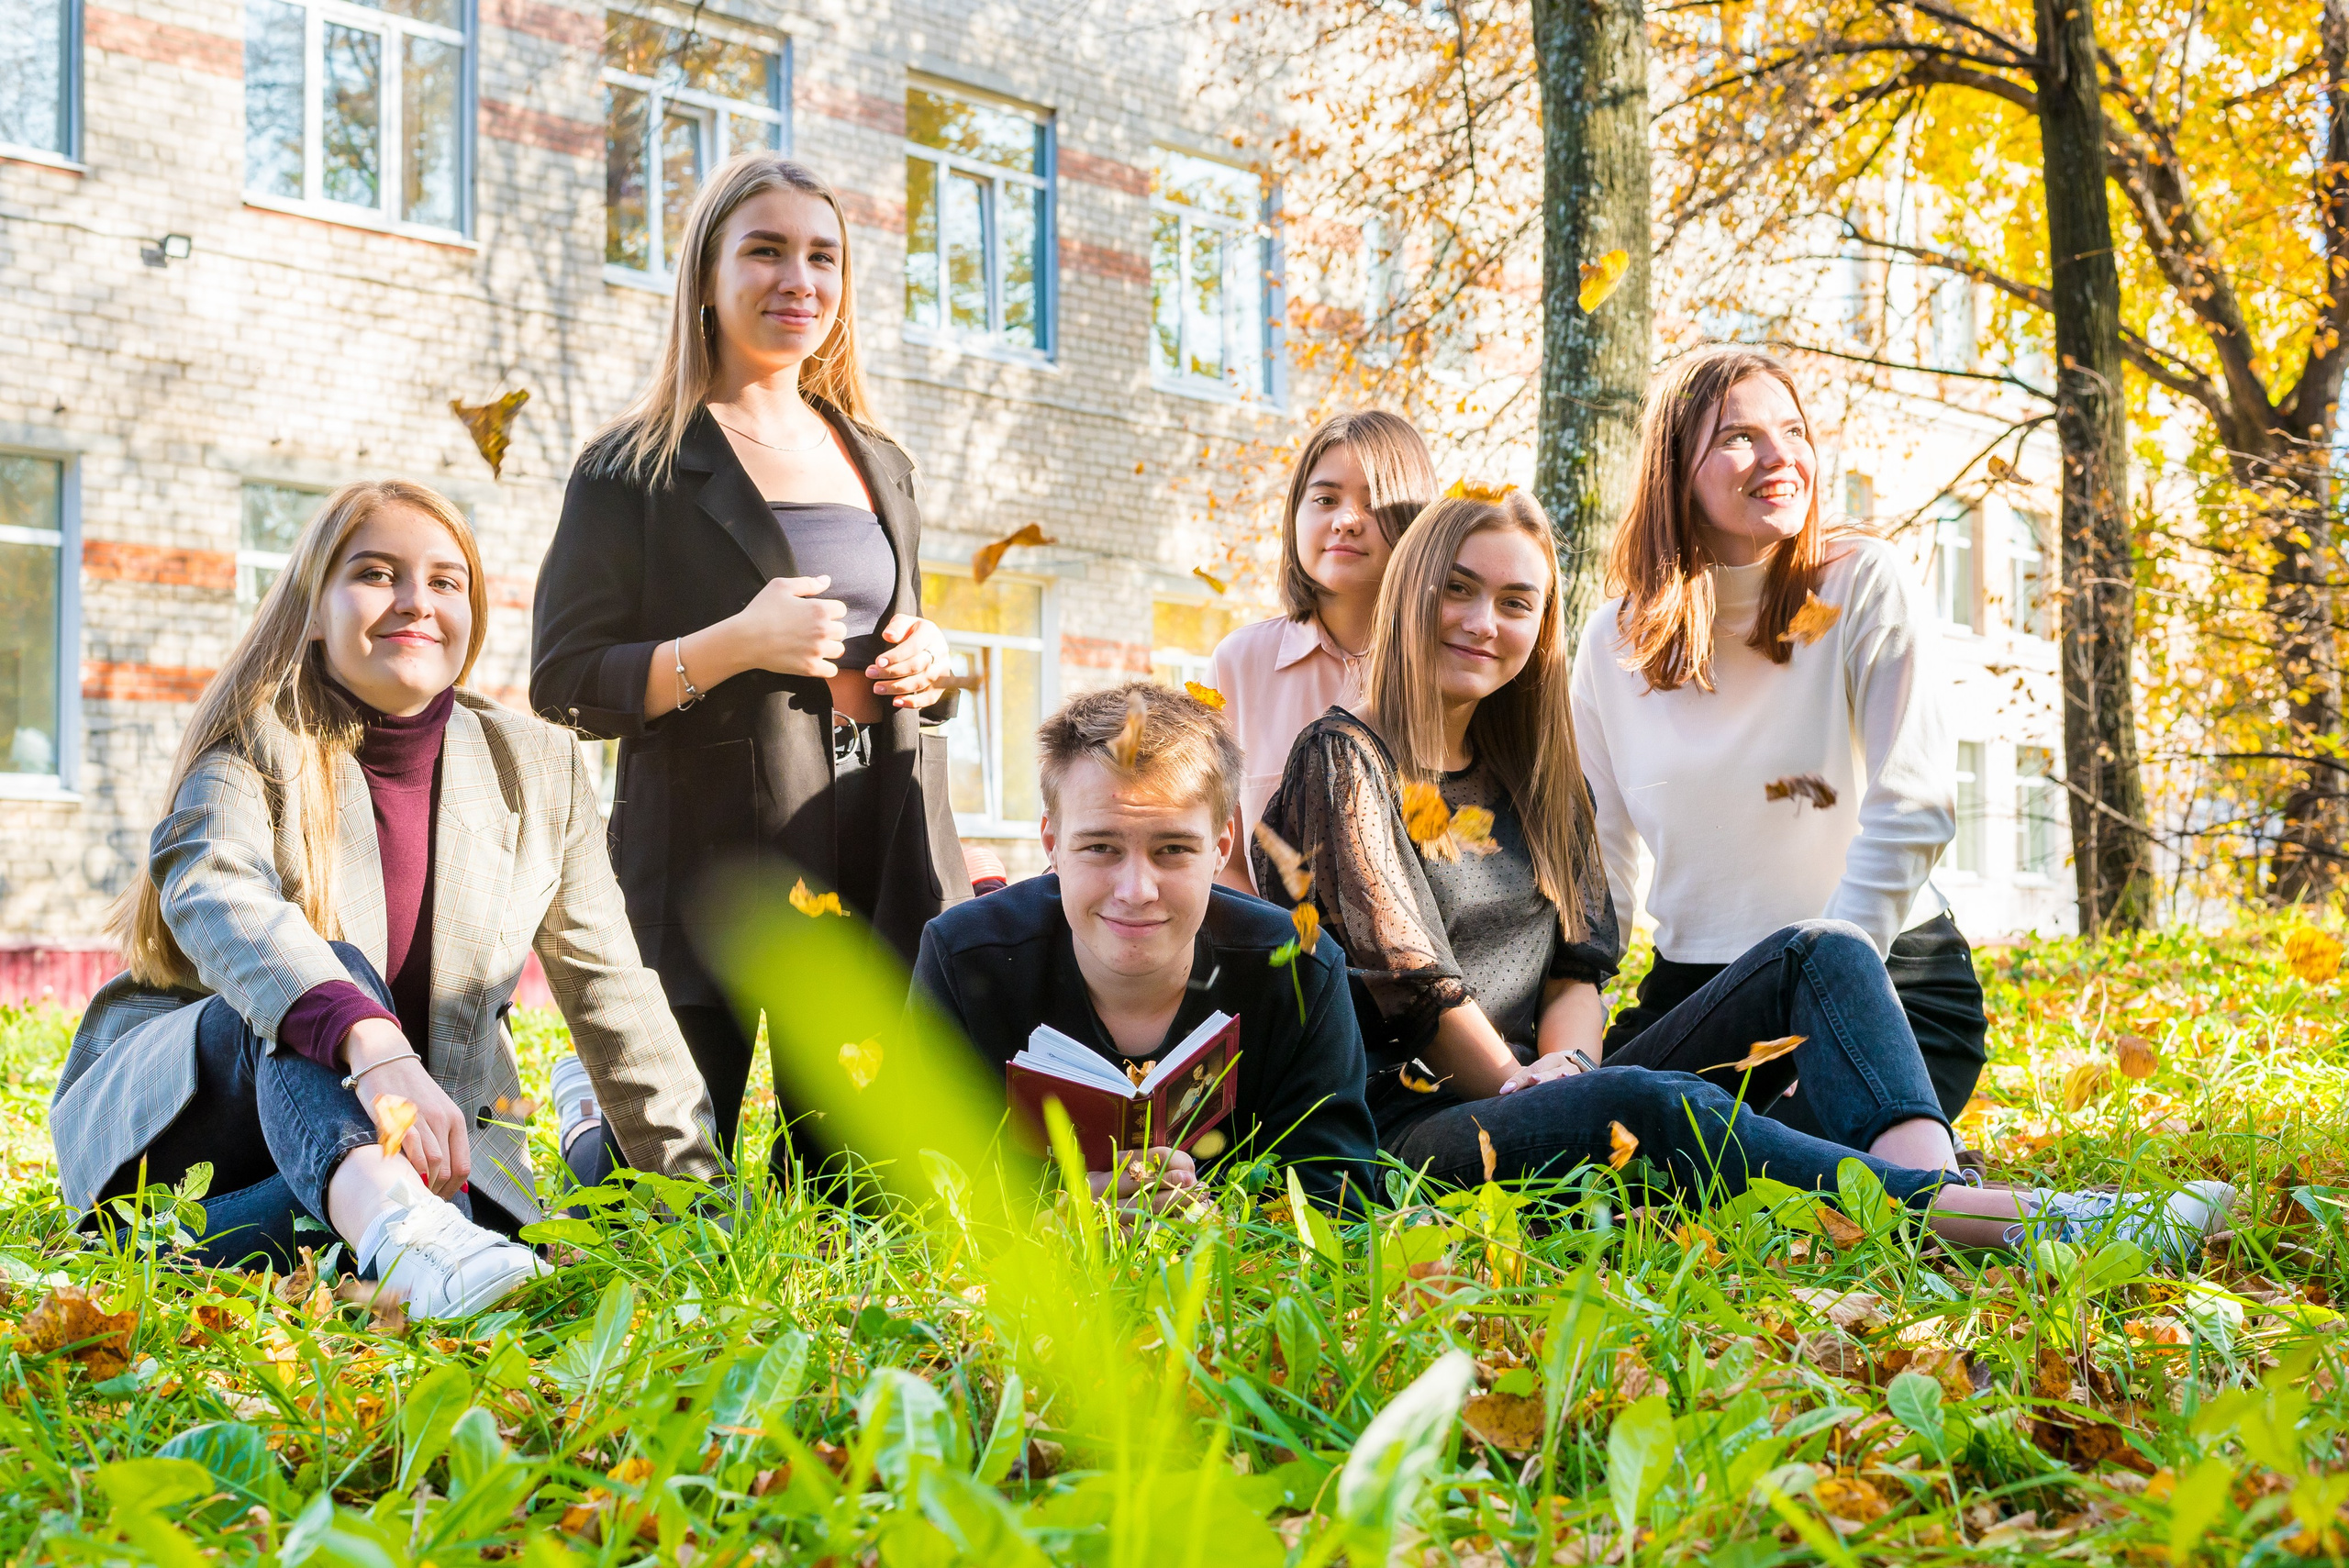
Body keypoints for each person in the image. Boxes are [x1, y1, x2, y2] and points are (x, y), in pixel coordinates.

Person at [1255, 489, 2232, 1259]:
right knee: (1651, 1103)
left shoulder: (1535, 776)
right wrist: (1524, 1084)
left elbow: (1576, 970)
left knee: (1822, 951)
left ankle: (1934, 1211)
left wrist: (1571, 1071)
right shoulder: (1345, 759)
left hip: (1538, 1091)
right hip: (1412, 1130)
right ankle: (2022, 1224)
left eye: (1517, 602)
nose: (1483, 621)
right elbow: (1413, 982)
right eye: (1458, 589)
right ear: (1410, 592)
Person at [50, 481, 723, 1317]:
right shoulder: (254, 739)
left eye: (446, 581)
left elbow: (612, 990)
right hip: (189, 1173)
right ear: (313, 608)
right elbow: (213, 883)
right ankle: (404, 1230)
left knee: (476, 1225)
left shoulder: (538, 767)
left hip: (388, 1176)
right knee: (323, 974)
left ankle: (451, 1205)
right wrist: (370, 1042)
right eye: (376, 573)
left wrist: (704, 1203)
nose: (416, 601)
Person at [530, 153, 963, 1176]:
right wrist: (732, 644)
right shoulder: (629, 468)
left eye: (823, 256)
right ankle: (588, 1117)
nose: (798, 279)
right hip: (706, 870)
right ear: (707, 276)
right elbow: (564, 677)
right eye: (764, 250)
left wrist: (935, 658)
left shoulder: (882, 460)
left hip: (875, 845)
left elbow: (893, 627)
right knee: (665, 1190)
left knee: (861, 1192)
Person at [1572, 344, 1987, 1131]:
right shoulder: (1611, 642)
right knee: (1596, 1155)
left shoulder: (1863, 583)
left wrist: (1829, 1013)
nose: (1780, 457)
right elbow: (1600, 871)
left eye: (1793, 431)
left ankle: (2048, 1205)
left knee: (1794, 1171)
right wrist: (1563, 1030)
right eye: (1740, 436)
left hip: (1888, 979)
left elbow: (1913, 809)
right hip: (1702, 996)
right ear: (1674, 469)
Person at [912, 683, 1380, 1211]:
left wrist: (1217, 1231)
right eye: (1101, 847)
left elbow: (1338, 1199)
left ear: (1220, 847)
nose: (1136, 891)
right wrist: (1044, 1229)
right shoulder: (963, 958)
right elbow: (910, 1192)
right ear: (1052, 845)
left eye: (1173, 848)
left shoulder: (1299, 970)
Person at [1208, 411, 1437, 894]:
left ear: (1418, 522)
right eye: (1325, 499)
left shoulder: (1452, 662)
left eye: (1375, 504)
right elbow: (1219, 855)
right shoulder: (1239, 663)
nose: (1346, 521)